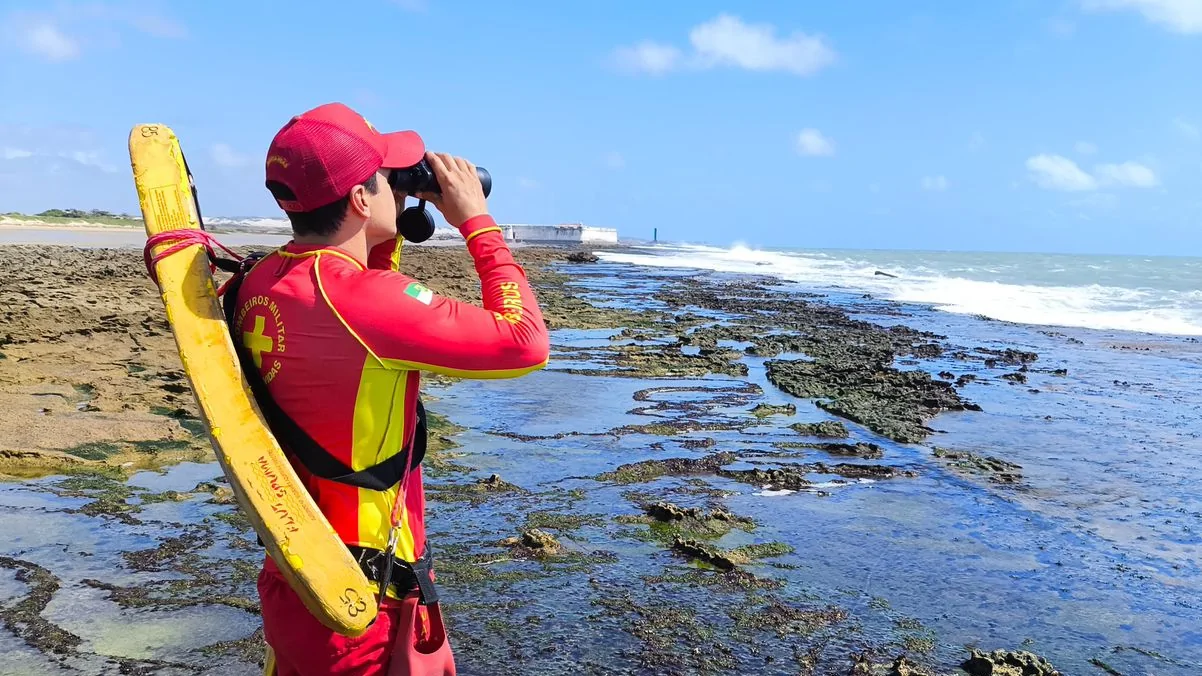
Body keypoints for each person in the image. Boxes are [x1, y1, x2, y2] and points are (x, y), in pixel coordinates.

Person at [230, 102, 550, 675]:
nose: (400, 191)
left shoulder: (260, 279)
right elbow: (524, 341)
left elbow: (359, 296)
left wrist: (388, 220)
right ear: (359, 200)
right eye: (389, 180)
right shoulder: (362, 302)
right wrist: (477, 221)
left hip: (295, 579)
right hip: (362, 604)